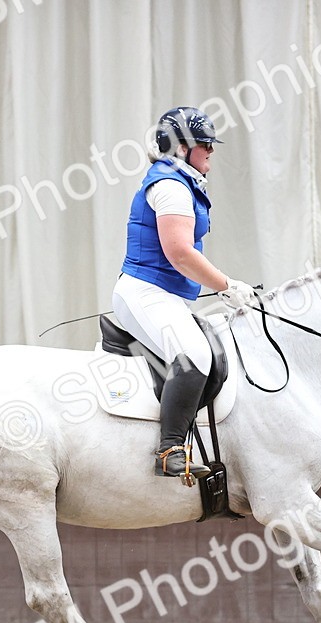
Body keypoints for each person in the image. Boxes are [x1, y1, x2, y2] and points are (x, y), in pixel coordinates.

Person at [113, 106, 257, 482]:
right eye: (205, 144)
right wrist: (227, 285)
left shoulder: (183, 182)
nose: (211, 150)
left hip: (163, 294)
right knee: (194, 354)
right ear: (181, 148)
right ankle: (170, 450)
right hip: (144, 291)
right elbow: (179, 253)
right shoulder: (171, 187)